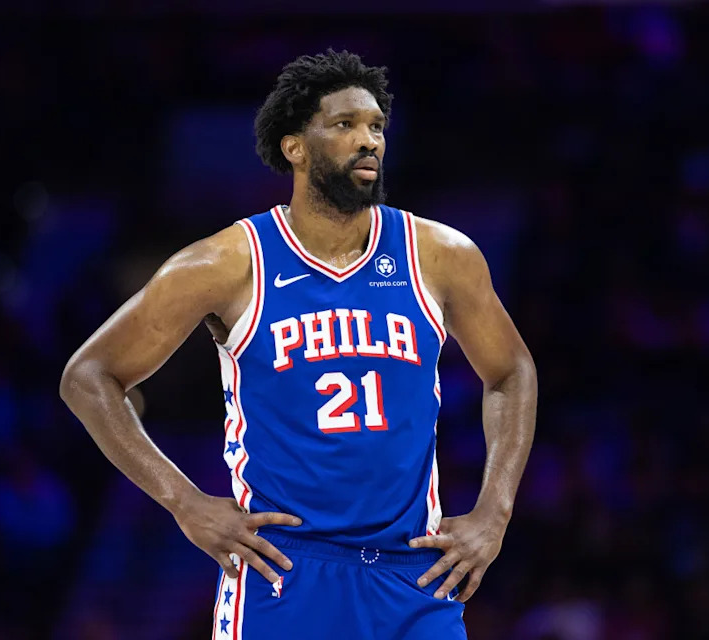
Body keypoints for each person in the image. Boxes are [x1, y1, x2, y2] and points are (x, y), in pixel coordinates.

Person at [60, 48, 537, 639]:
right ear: (295, 147)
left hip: (415, 576)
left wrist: (495, 512)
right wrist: (184, 501)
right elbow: (89, 376)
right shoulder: (228, 262)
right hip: (284, 571)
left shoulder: (440, 256)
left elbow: (511, 370)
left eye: (376, 127)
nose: (369, 141)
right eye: (345, 125)